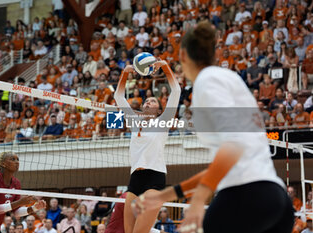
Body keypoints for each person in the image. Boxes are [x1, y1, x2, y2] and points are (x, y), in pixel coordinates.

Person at [132, 21, 294, 233]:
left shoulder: (207, 81)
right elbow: (225, 163)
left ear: (182, 56)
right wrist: (164, 196)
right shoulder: (230, 78)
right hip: (275, 199)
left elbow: (233, 147)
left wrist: (198, 200)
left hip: (247, 194)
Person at [114, 58, 180, 233]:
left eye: (152, 101)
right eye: (146, 101)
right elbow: (118, 96)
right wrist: (125, 72)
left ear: (159, 110)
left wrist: (165, 66)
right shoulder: (133, 120)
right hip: (135, 180)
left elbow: (176, 90)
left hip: (155, 178)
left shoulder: (163, 122)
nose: (147, 103)